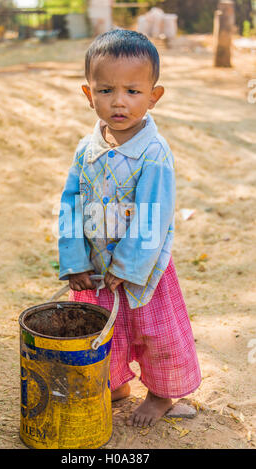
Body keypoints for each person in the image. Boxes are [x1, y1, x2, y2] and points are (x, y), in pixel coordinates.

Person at [58, 29, 201, 428]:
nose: (119, 101)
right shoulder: (87, 150)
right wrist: (73, 259)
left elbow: (154, 217)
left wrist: (127, 266)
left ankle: (160, 395)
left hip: (142, 271)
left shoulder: (153, 153)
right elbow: (70, 203)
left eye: (133, 91)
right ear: (89, 95)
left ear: (153, 96)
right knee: (104, 333)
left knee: (156, 335)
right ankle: (116, 384)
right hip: (95, 268)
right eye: (106, 90)